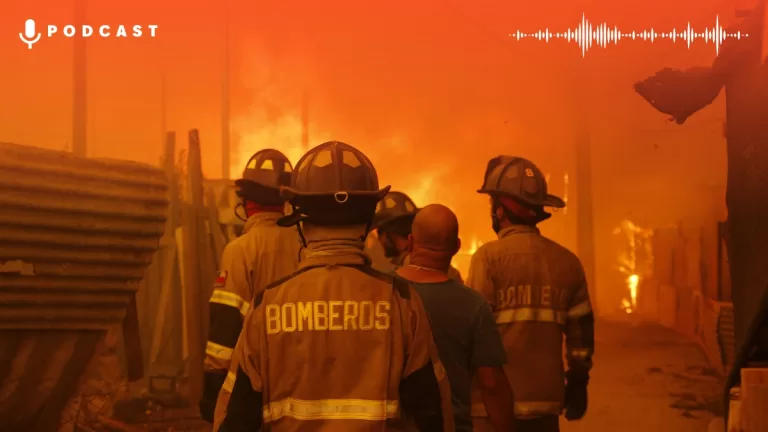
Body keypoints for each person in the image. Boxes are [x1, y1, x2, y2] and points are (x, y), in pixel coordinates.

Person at [213, 141, 453, 432]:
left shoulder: (267, 305)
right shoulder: (401, 301)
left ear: (300, 219)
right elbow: (432, 415)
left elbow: (236, 418)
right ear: (367, 220)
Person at [467, 156, 594, 432]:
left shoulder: (487, 259)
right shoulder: (568, 262)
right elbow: (581, 333)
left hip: (493, 408)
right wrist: (578, 382)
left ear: (500, 210)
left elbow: (473, 334)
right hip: (545, 404)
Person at [199, 149, 301, 423]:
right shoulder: (306, 244)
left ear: (247, 202)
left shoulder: (240, 250)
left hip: (255, 378)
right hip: (304, 374)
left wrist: (213, 381)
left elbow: (227, 319)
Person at [395, 204, 516, 432]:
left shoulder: (382, 293)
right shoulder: (473, 305)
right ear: (457, 247)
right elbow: (491, 384)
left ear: (410, 243)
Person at [369, 190, 464, 282]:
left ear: (390, 235)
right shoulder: (448, 273)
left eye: (379, 234)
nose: (379, 241)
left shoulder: (396, 277)